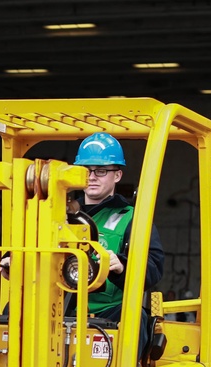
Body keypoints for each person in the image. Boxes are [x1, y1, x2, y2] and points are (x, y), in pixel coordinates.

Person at [71, 132, 165, 323]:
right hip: (62, 309)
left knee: (136, 318)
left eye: (101, 171)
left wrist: (122, 266)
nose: (92, 177)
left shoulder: (132, 218)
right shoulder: (60, 214)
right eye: (86, 170)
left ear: (117, 175)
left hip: (110, 314)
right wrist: (11, 260)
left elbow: (153, 267)